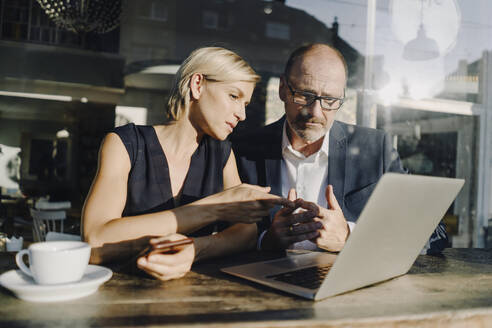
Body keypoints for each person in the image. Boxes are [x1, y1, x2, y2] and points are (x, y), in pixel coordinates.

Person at [82, 47, 290, 281]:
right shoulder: (124, 143)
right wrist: (214, 208)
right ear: (198, 84)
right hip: (120, 296)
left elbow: (246, 233)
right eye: (234, 96)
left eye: (245, 103)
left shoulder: (221, 153)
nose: (242, 114)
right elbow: (94, 242)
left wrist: (194, 248)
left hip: (192, 295)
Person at [232, 43, 448, 254]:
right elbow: (220, 234)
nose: (315, 111)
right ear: (282, 89)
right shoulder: (242, 150)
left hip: (343, 286)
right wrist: (264, 241)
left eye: (330, 99)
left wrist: (349, 236)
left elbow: (435, 234)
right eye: (304, 95)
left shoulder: (375, 149)